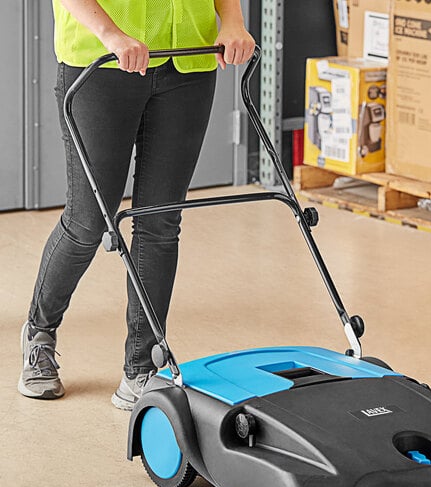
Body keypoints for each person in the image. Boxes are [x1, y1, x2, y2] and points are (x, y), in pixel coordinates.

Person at [18, 0, 255, 409]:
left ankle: (141, 367)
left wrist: (232, 21)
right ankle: (39, 334)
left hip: (187, 64)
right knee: (89, 222)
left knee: (159, 222)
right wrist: (112, 34)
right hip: (102, 64)